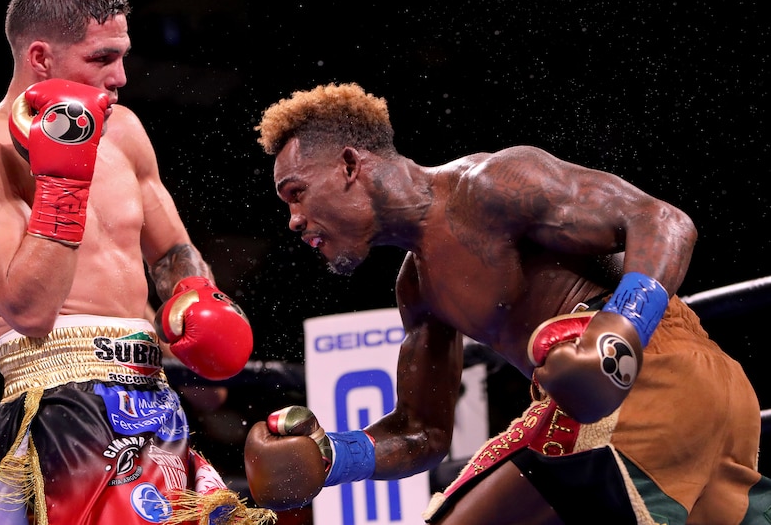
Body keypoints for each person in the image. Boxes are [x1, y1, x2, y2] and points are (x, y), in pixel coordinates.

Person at [243, 82, 770, 524]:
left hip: (653, 372)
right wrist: (331, 456)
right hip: (674, 405)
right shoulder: (418, 289)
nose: (293, 220)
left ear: (350, 165)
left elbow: (663, 221)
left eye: (296, 193)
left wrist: (617, 336)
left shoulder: (491, 186)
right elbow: (420, 432)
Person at [0, 0, 274, 525]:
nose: (120, 77)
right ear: (40, 58)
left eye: (122, 55)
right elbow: (32, 311)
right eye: (101, 58)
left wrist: (193, 305)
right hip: (62, 403)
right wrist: (63, 181)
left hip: (154, 396)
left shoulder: (127, 132)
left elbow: (170, 254)